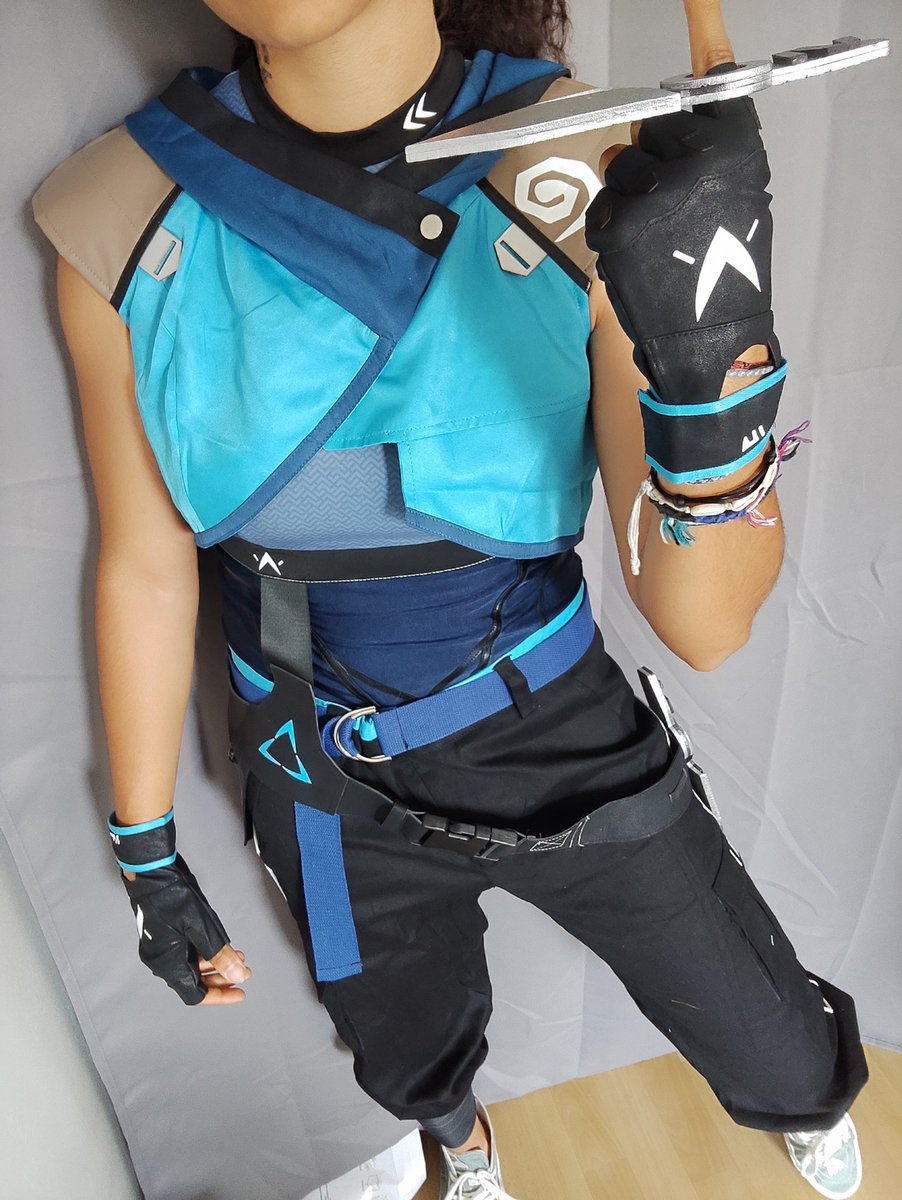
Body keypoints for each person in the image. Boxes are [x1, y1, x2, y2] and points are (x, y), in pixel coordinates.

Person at [33, 1, 870, 1197]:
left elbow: (703, 624)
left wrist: (714, 357)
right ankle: (461, 1144)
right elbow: (143, 562)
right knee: (401, 1047)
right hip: (311, 754)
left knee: (764, 1027)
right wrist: (145, 853)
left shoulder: (585, 165)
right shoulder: (119, 213)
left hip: (550, 718)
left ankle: (802, 1102)